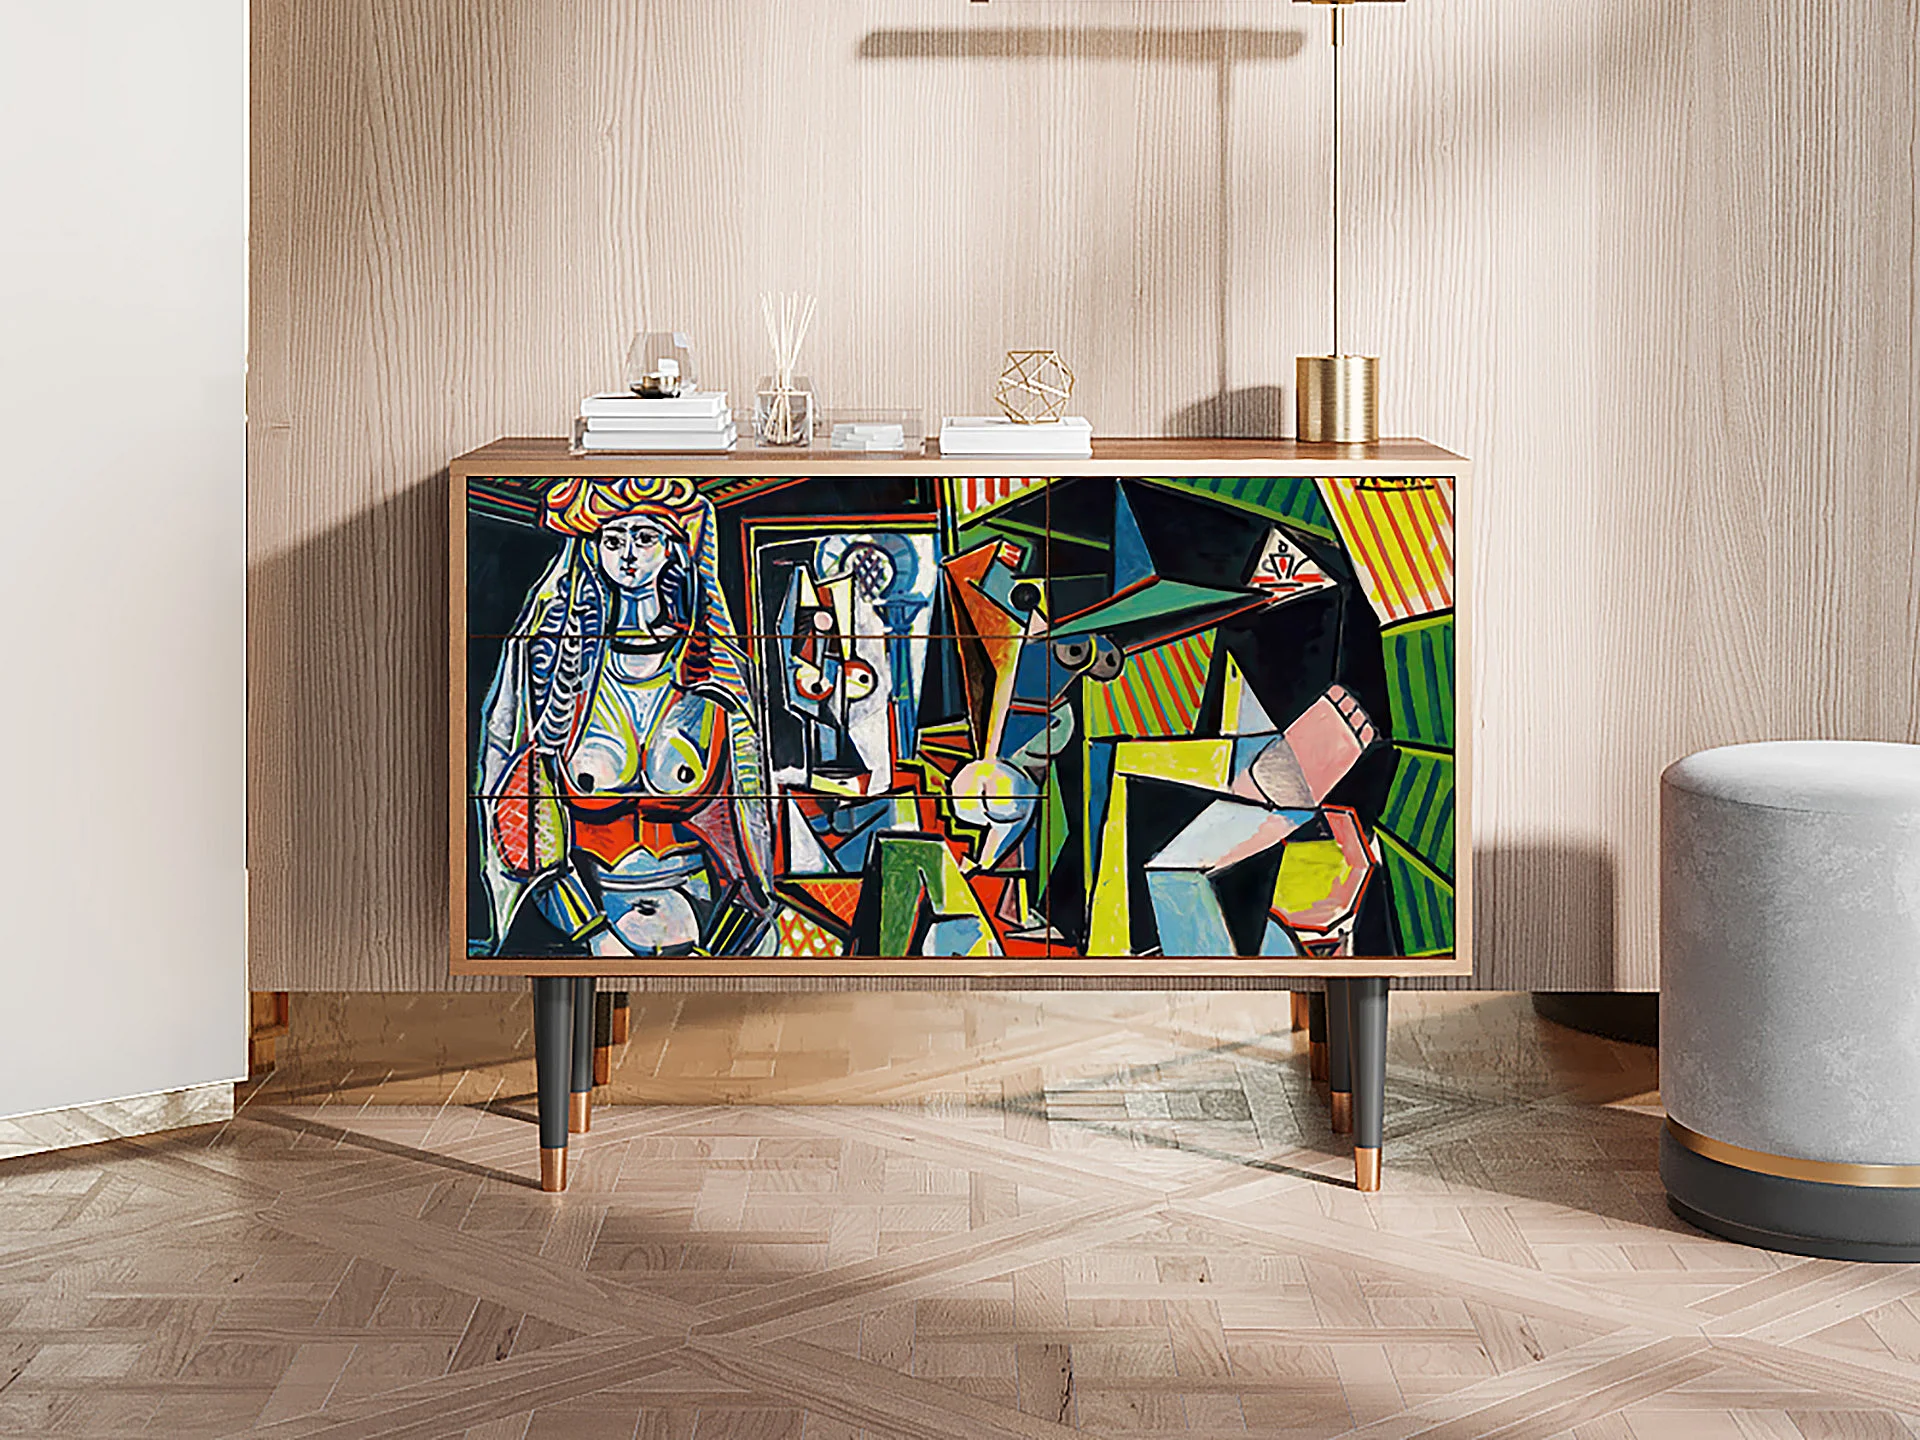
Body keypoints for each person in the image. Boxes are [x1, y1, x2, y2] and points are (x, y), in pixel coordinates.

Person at [474, 475, 772, 957]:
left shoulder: (715, 676)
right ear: (594, 551)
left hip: (698, 919)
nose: (628, 554)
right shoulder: (555, 672)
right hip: (578, 924)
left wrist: (724, 946)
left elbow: (744, 831)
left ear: (674, 549)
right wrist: (593, 936)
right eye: (613, 540)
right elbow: (523, 822)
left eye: (645, 537)